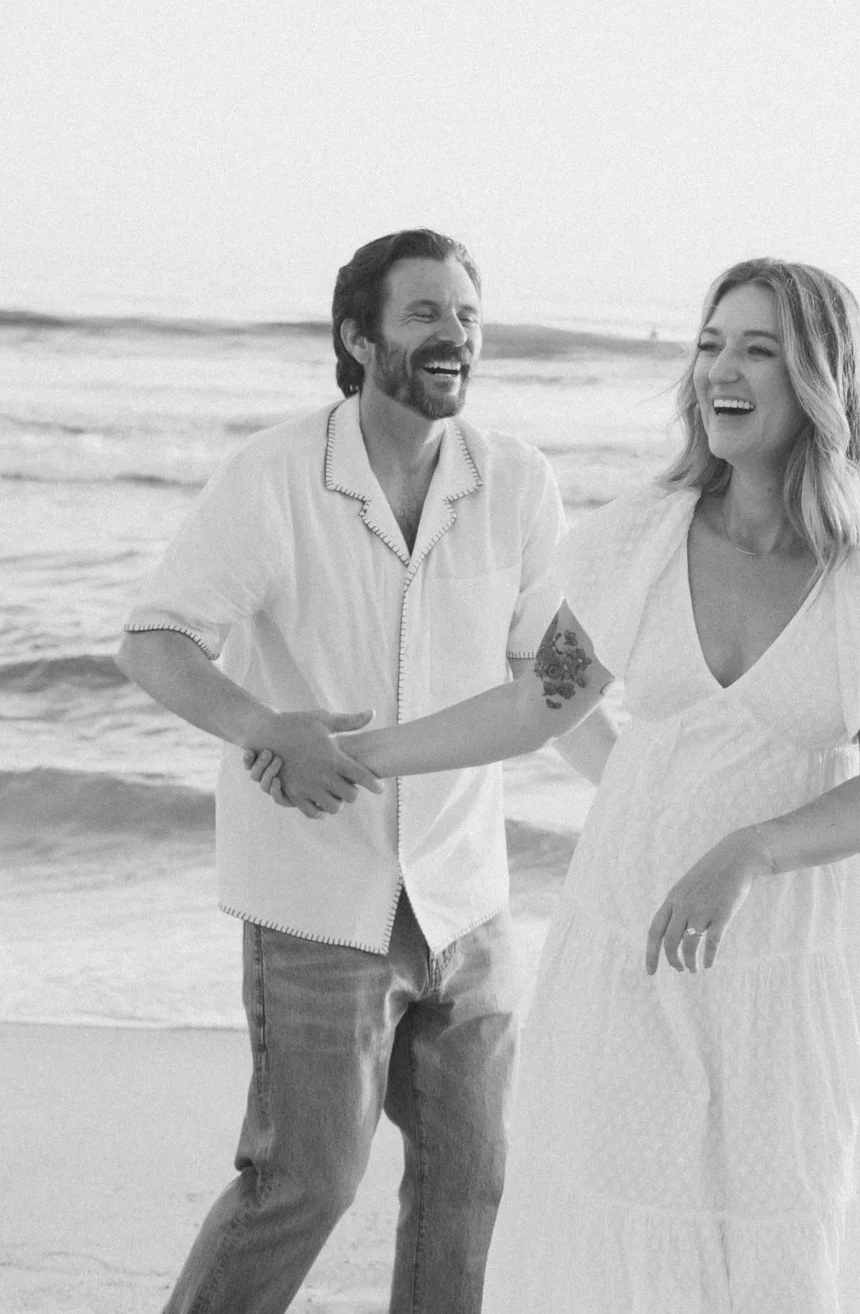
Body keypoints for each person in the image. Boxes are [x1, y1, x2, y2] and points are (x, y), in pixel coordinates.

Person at [257, 257, 860, 1312]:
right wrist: (367, 752)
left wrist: (751, 848)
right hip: (630, 934)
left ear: (823, 377)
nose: (721, 369)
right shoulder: (643, 537)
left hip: (794, 964)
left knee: (790, 1214)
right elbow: (539, 703)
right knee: (619, 1210)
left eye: (758, 349)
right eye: (710, 343)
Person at [116, 228, 614, 1314]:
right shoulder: (275, 476)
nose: (456, 336)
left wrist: (631, 785)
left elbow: (553, 672)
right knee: (305, 1181)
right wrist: (267, 725)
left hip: (467, 904)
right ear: (358, 336)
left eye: (469, 317)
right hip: (317, 899)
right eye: (426, 313)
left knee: (472, 1181)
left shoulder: (518, 481)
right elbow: (155, 640)